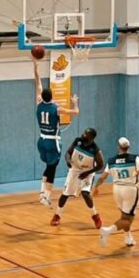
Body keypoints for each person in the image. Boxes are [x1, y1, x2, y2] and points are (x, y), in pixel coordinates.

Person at [34, 59, 79, 207]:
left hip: (41, 140)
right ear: (52, 96)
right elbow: (76, 112)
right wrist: (75, 102)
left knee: (48, 165)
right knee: (52, 167)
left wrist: (36, 67)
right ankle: (46, 196)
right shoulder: (56, 108)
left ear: (42, 96)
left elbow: (38, 83)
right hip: (53, 141)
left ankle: (42, 193)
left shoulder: (38, 102)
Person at [94, 137, 139, 248]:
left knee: (124, 216)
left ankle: (128, 238)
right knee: (128, 220)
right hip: (130, 190)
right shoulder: (134, 158)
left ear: (118, 147)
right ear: (128, 147)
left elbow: (102, 177)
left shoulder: (111, 160)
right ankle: (107, 230)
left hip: (116, 189)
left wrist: (96, 187)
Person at [51, 128, 105, 227]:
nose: (83, 135)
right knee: (65, 194)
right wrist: (67, 160)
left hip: (88, 172)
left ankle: (95, 216)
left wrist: (87, 173)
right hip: (74, 169)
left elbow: (100, 165)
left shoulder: (95, 150)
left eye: (86, 134)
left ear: (92, 138)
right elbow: (68, 153)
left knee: (85, 193)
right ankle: (57, 215)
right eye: (84, 133)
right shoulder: (77, 141)